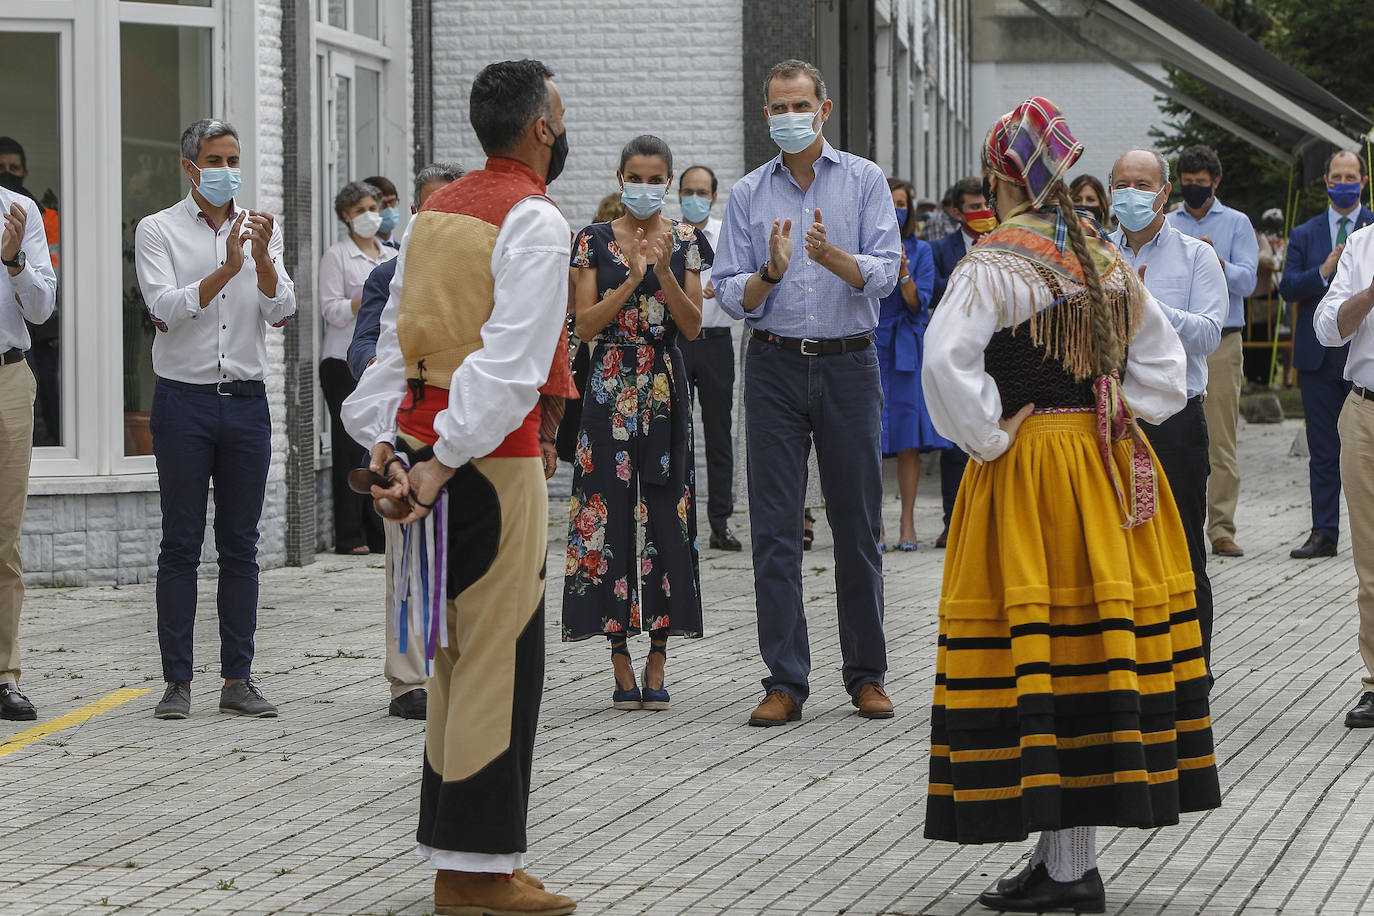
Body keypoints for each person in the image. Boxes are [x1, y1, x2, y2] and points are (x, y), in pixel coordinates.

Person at [921, 97, 1219, 913]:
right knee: (1087, 658)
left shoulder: (995, 259)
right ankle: (1065, 866)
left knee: (1043, 653)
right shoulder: (1109, 258)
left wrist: (989, 431)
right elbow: (1162, 375)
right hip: (1102, 463)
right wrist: (1109, 398)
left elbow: (946, 363)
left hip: (1030, 469)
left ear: (1005, 173)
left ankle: (1068, 871)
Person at [343, 59, 577, 916]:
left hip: (421, 442)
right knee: (499, 660)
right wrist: (440, 462)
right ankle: (476, 873)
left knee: (449, 656)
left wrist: (389, 450)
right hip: (485, 459)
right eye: (560, 111)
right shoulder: (535, 218)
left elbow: (393, 346)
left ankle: (466, 859)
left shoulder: (437, 209)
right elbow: (512, 364)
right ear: (542, 129)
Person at [714, 58, 901, 727]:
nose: (788, 117)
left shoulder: (864, 180)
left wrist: (830, 259)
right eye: (776, 108)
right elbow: (730, 290)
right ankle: (784, 680)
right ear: (766, 116)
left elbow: (885, 272)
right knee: (774, 530)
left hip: (850, 365)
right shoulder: (747, 194)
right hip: (773, 366)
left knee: (857, 525)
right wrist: (772, 271)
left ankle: (867, 675)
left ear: (823, 109)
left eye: (800, 105)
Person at [134, 118, 296, 720]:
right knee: (180, 544)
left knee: (240, 545)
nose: (228, 169)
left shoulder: (258, 227)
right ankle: (177, 682)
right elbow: (165, 309)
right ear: (190, 167)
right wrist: (226, 269)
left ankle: (237, 678)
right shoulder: (158, 231)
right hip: (184, 402)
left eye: (234, 157)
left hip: (246, 403)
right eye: (216, 159)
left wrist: (262, 264)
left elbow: (284, 309)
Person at [562, 134, 706, 712]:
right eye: (635, 177)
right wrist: (629, 279)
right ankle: (619, 651)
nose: (645, 187)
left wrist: (664, 271)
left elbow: (693, 326)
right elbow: (584, 325)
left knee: (667, 512)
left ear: (667, 182)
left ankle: (660, 652)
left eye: (656, 178)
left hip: (665, 386)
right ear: (620, 178)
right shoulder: (591, 240)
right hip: (609, 385)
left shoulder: (688, 241)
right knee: (608, 511)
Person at [344, 163, 462, 721]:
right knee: (411, 561)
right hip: (406, 423)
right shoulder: (387, 276)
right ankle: (409, 681)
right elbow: (364, 342)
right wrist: (385, 373)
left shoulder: (480, 270)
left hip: (468, 425)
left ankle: (462, 669)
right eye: (426, 206)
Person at [1109, 148, 1227, 672]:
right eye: (1121, 184)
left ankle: (1189, 671)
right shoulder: (1095, 253)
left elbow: (1207, 332)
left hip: (1175, 422)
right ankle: (1128, 666)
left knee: (1181, 548)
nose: (1130, 193)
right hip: (1110, 420)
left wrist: (1145, 304)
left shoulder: (1195, 255)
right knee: (1117, 550)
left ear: (1163, 193)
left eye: (1141, 184)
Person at [1279, 150, 1374, 560]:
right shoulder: (1305, 233)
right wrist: (1323, 270)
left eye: (1351, 175)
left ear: (1364, 181)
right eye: (1336, 176)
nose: (1343, 182)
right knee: (1323, 449)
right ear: (1325, 181)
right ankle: (1324, 531)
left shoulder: (1370, 229)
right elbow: (1288, 287)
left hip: (1361, 362)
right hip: (1320, 356)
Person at [1166, 144, 1259, 559]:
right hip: (1172, 342)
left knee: (1221, 439)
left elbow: (1249, 282)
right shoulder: (1167, 222)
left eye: (1201, 183)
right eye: (1187, 183)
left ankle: (1221, 527)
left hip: (1222, 341)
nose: (1194, 189)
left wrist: (1213, 261)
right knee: (1169, 432)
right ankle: (1170, 523)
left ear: (1216, 183)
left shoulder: (1237, 223)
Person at [0, 171, 58, 721]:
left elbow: (41, 310)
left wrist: (14, 262)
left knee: (3, 537)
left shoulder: (19, 211)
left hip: (7, 379)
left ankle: (3, 675)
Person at [1315, 216, 1374, 728]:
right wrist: (1372, 292)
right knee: (1372, 561)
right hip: (1366, 413)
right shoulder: (1361, 244)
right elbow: (1327, 327)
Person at [320, 180, 395, 556]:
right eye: (358, 210)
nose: (368, 215)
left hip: (385, 362)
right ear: (345, 216)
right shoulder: (337, 256)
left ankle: (379, 528)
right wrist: (364, 297)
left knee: (380, 439)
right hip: (342, 361)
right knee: (349, 446)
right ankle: (350, 535)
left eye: (372, 207)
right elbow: (330, 310)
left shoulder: (391, 252)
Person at [928, 175, 997, 548]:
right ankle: (952, 520)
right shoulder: (941, 249)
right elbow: (932, 288)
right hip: (957, 348)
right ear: (957, 212)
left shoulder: (1004, 241)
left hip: (997, 350)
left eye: (986, 204)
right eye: (973, 207)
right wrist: (968, 271)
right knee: (955, 442)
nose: (982, 212)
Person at [677, 163, 741, 551]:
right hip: (679, 344)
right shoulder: (670, 236)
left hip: (717, 343)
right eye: (688, 191)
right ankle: (679, 522)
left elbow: (739, 281)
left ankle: (720, 522)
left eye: (702, 192)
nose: (695, 199)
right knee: (676, 434)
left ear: (714, 197)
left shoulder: (727, 236)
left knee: (719, 436)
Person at [878, 177, 943, 551]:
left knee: (906, 441)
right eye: (889, 201)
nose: (895, 208)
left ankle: (907, 524)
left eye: (901, 202)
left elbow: (919, 303)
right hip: (871, 343)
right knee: (870, 439)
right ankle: (878, 527)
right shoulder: (864, 246)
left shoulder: (921, 251)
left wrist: (903, 270)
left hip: (905, 348)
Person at [0, 138, 60, 446]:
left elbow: (41, 309)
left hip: (11, 368)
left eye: (14, 168)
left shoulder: (27, 211)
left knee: (10, 495)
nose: (8, 173)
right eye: (3, 168)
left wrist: (15, 263)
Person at [362, 174, 403, 248]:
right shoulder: (359, 251)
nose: (389, 209)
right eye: (382, 204)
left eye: (392, 202)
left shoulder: (403, 253)